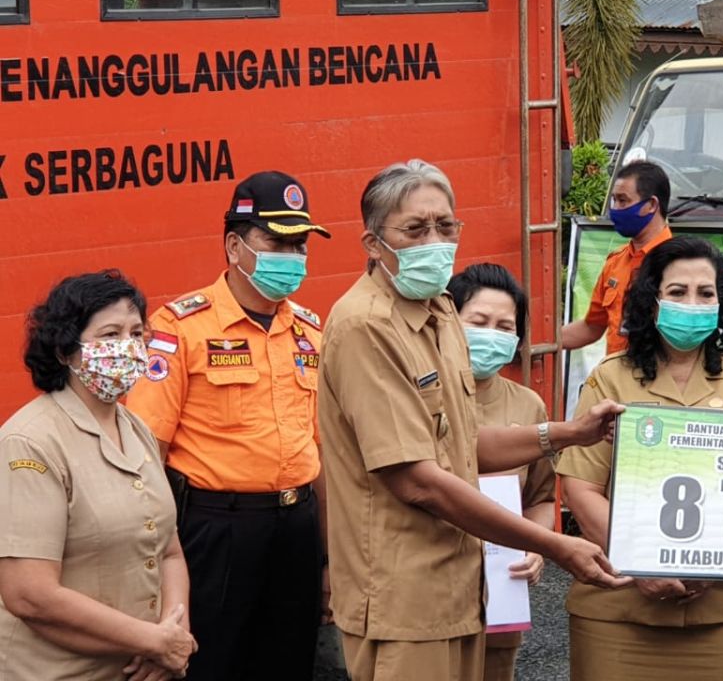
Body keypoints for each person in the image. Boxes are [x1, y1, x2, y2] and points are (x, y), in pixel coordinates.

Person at [318, 159, 630, 681]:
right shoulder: (365, 327)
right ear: (373, 243)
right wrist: (553, 545)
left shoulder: (439, 311)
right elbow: (419, 481)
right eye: (415, 229)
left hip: (460, 590)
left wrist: (568, 434)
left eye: (445, 225)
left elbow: (460, 445)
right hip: (405, 603)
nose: (435, 240)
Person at [126, 170, 332, 681]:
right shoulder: (181, 328)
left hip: (297, 527)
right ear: (234, 245)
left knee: (288, 663)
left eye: (299, 243)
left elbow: (324, 451)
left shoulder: (310, 331)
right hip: (217, 529)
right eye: (277, 241)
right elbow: (145, 451)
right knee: (210, 663)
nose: (292, 256)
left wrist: (329, 557)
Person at [558, 235, 723, 681]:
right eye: (677, 292)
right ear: (651, 302)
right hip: (618, 603)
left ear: (722, 302)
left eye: (705, 293)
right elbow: (581, 487)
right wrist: (639, 561)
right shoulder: (609, 378)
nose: (692, 303)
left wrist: (714, 565)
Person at [0, 270, 196, 681]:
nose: (128, 346)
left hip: (139, 667)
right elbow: (29, 594)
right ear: (65, 351)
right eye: (110, 335)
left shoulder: (136, 427)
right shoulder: (30, 442)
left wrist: (171, 634)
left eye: (137, 332)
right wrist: (152, 641)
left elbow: (168, 551)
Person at [449, 263, 557, 681]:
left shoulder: (529, 406)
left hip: (501, 593)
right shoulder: (418, 396)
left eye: (504, 326)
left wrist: (537, 546)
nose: (491, 334)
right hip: (428, 593)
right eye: (478, 322)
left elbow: (542, 497)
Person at [562, 160, 672, 355]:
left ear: (651, 205)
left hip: (661, 377)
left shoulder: (679, 262)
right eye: (614, 200)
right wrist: (536, 342)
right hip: (617, 378)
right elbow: (591, 327)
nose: (615, 209)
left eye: (623, 200)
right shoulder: (616, 262)